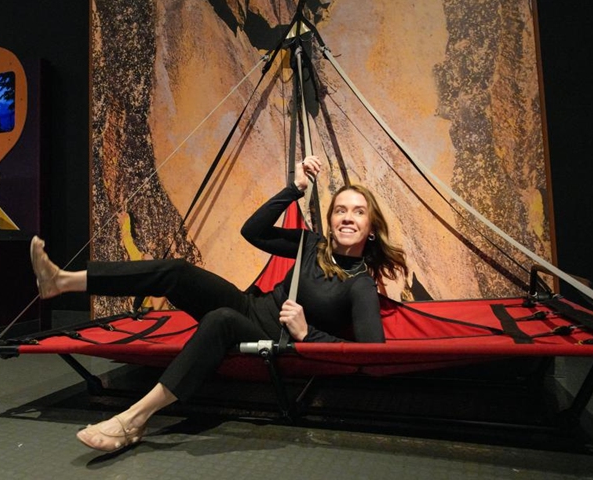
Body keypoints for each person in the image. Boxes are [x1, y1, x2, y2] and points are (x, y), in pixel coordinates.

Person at [30, 155, 408, 452]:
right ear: (330, 220)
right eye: (340, 210)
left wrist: (307, 333)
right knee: (177, 271)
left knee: (221, 320)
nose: (347, 217)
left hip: (271, 336)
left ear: (371, 229)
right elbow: (252, 231)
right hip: (251, 305)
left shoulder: (359, 286)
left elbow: (370, 356)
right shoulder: (312, 245)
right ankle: (63, 281)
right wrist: (294, 188)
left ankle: (133, 420)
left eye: (358, 212)